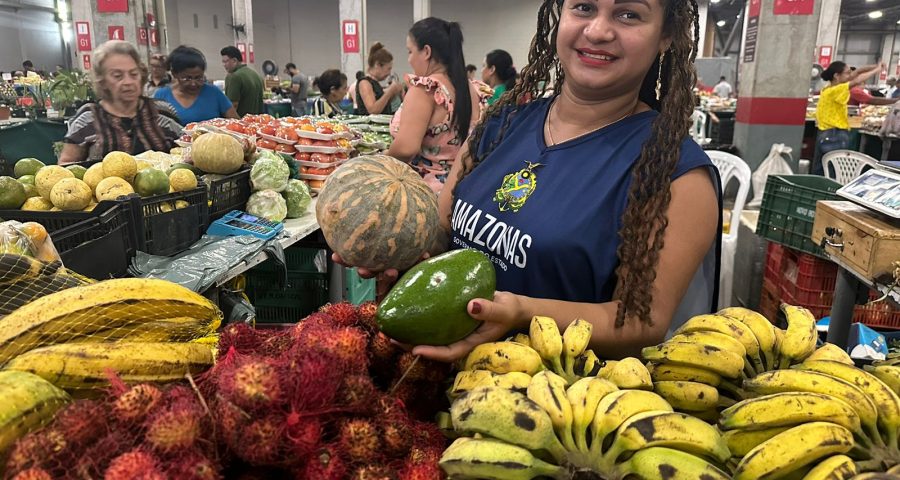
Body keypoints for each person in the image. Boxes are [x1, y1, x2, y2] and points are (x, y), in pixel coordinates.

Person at [342, 0, 720, 362]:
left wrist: (521, 312)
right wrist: (392, 249)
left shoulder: (676, 174)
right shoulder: (501, 123)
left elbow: (640, 324)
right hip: (437, 384)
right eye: (584, 7)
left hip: (550, 407)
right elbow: (444, 234)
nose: (598, 30)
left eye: (628, 14)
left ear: (666, 34)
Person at [388, 17, 488, 194]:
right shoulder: (472, 89)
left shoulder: (426, 90)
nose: (409, 59)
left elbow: (406, 148)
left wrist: (375, 163)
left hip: (426, 196)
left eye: (410, 51)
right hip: (465, 190)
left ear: (426, 51)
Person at [58, 41, 182, 165]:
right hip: (107, 185)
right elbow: (67, 166)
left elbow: (185, 153)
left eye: (134, 74)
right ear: (102, 81)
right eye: (118, 76)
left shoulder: (162, 111)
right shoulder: (87, 118)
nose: (128, 82)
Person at [813, 62, 894, 175]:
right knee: (833, 170)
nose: (850, 75)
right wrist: (876, 71)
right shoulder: (835, 90)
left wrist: (876, 66)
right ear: (837, 75)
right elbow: (856, 81)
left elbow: (857, 72)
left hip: (826, 133)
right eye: (847, 73)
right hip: (834, 134)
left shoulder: (828, 88)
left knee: (822, 168)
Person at [153, 45, 237, 125]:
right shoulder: (162, 96)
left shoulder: (214, 93)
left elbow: (236, 124)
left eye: (199, 78)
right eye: (187, 78)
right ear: (175, 74)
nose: (193, 83)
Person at [355, 43, 403, 115]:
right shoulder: (364, 83)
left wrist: (393, 93)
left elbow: (382, 105)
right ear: (377, 65)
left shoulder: (375, 83)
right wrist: (390, 91)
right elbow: (373, 110)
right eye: (388, 69)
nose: (389, 73)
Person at [221, 45, 264, 116]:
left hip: (241, 123)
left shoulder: (234, 77)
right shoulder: (255, 74)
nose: (224, 65)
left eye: (226, 61)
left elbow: (232, 106)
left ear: (234, 60)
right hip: (257, 122)